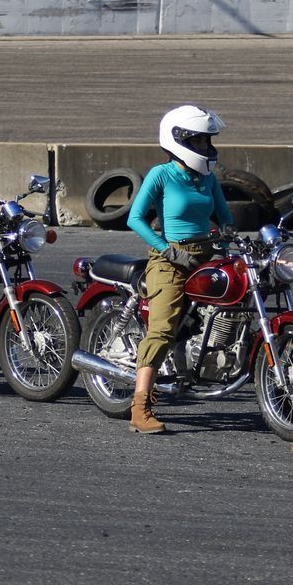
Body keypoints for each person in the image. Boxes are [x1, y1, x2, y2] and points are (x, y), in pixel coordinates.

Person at [124, 104, 233, 435]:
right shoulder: (162, 175)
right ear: (179, 140)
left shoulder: (208, 180)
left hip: (206, 253)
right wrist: (165, 250)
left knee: (235, 305)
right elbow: (135, 218)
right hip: (170, 258)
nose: (206, 149)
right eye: (200, 142)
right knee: (162, 329)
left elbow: (225, 218)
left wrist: (227, 241)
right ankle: (140, 408)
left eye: (207, 142)